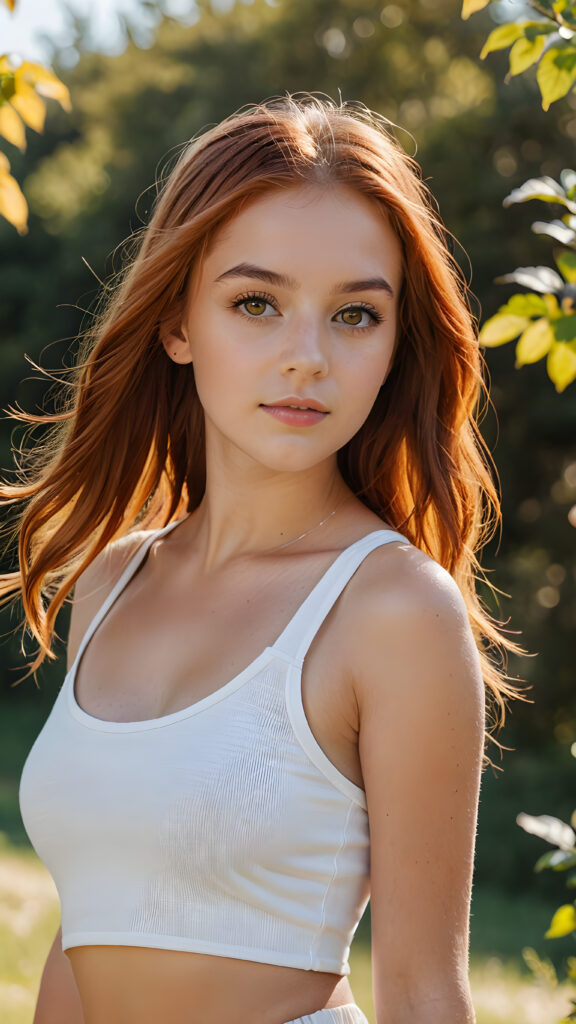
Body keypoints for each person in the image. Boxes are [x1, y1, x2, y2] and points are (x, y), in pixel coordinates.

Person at [2, 93, 528, 1024]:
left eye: (355, 316)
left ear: (396, 342)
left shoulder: (396, 611)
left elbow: (422, 993)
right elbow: (85, 942)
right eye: (257, 303)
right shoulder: (113, 580)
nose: (307, 358)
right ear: (177, 324)